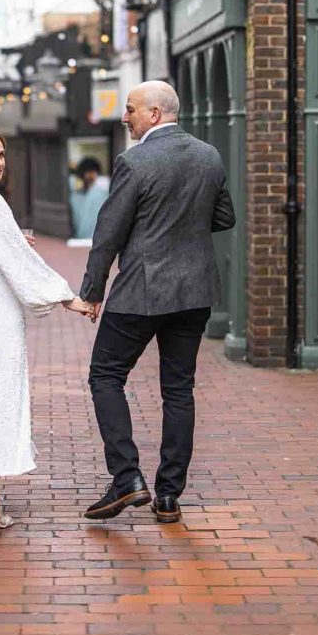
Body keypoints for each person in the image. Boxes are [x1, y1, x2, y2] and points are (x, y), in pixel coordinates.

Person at [79, 81, 236, 524]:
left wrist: (92, 292)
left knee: (105, 375)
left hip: (143, 291)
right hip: (195, 292)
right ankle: (169, 496)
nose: (125, 116)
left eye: (130, 109)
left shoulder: (134, 161)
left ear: (153, 112)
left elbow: (107, 233)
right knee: (178, 389)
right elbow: (225, 216)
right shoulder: (209, 155)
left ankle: (127, 478)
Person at [0, 126, 94, 532]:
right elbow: (16, 263)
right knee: (1, 391)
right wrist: (67, 297)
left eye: (1, 155)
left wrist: (1, 251)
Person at [69, 157, 110, 239]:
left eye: (93, 172)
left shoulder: (102, 193)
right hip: (79, 238)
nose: (91, 175)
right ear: (82, 174)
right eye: (88, 172)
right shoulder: (74, 197)